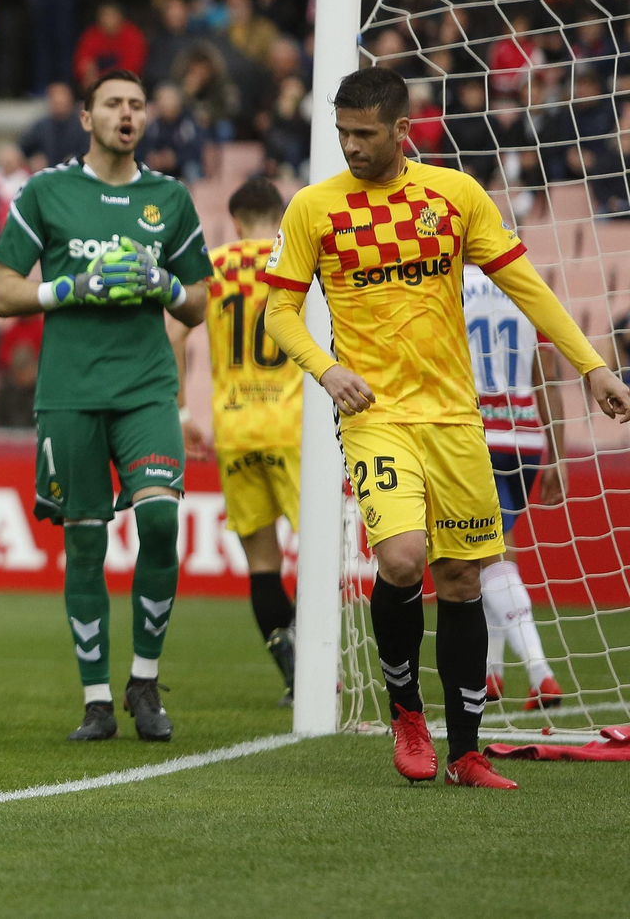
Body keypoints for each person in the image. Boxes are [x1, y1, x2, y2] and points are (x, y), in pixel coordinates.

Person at [262, 65, 630, 789]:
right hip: (375, 417)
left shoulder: (454, 196)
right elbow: (277, 311)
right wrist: (326, 370)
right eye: (342, 133)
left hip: (458, 419)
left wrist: (591, 366)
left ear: (404, 131)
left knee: (462, 579)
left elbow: (527, 285)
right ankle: (405, 713)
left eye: (365, 135)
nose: (351, 147)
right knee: (401, 559)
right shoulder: (313, 207)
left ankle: (465, 751)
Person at [0, 68, 211, 744]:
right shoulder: (48, 192)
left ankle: (144, 680)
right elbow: (2, 294)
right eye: (113, 103)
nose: (127, 113)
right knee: (85, 542)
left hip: (145, 387)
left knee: (163, 521)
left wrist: (164, 283)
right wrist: (73, 286)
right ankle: (95, 700)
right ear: (85, 117)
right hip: (69, 393)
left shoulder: (168, 199)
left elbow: (198, 303)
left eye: (137, 104)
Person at [179, 177, 302, 705]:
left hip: (232, 427)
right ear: (281, 215)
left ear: (233, 221)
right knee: (318, 555)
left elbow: (173, 330)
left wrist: (182, 409)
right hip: (293, 426)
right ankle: (322, 669)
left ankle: (295, 673)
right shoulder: (297, 261)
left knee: (261, 561)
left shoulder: (212, 264)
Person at [461, 262, 565, 709]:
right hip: (526, 440)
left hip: (477, 433)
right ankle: (491, 672)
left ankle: (542, 674)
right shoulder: (525, 283)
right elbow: (548, 377)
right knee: (494, 550)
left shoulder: (449, 282)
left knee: (485, 552)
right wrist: (558, 457)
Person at [17, 82, 86, 170]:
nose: (58, 104)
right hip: (46, 174)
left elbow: (88, 151)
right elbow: (23, 146)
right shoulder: (42, 125)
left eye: (61, 101)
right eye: (55, 101)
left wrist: (77, 159)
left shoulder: (81, 125)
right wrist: (32, 159)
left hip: (74, 175)